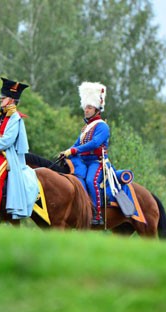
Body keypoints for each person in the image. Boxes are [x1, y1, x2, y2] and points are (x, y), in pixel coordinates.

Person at [0, 77, 38, 222]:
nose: (0, 100)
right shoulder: (3, 116)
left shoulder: (15, 118)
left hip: (7, 156)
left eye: (3, 98)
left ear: (11, 100)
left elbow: (6, 141)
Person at [60, 82, 109, 225]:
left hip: (97, 161)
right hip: (83, 161)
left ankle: (96, 215)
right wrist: (66, 152)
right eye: (85, 107)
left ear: (96, 109)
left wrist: (75, 150)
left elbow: (94, 143)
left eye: (89, 107)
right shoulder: (85, 128)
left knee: (90, 181)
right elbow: (76, 144)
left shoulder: (102, 126)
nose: (86, 110)